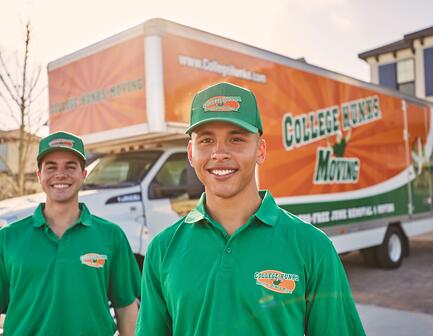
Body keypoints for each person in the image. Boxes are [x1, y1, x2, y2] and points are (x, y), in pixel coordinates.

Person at [136, 82, 366, 335]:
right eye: (206, 140)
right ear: (191, 153)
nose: (219, 153)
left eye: (236, 139)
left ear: (261, 150)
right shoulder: (162, 249)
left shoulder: (312, 247)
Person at [0, 131, 141, 335]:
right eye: (51, 167)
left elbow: (126, 306)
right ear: (39, 175)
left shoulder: (111, 236)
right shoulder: (8, 238)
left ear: (84, 174)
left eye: (70, 166)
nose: (60, 174)